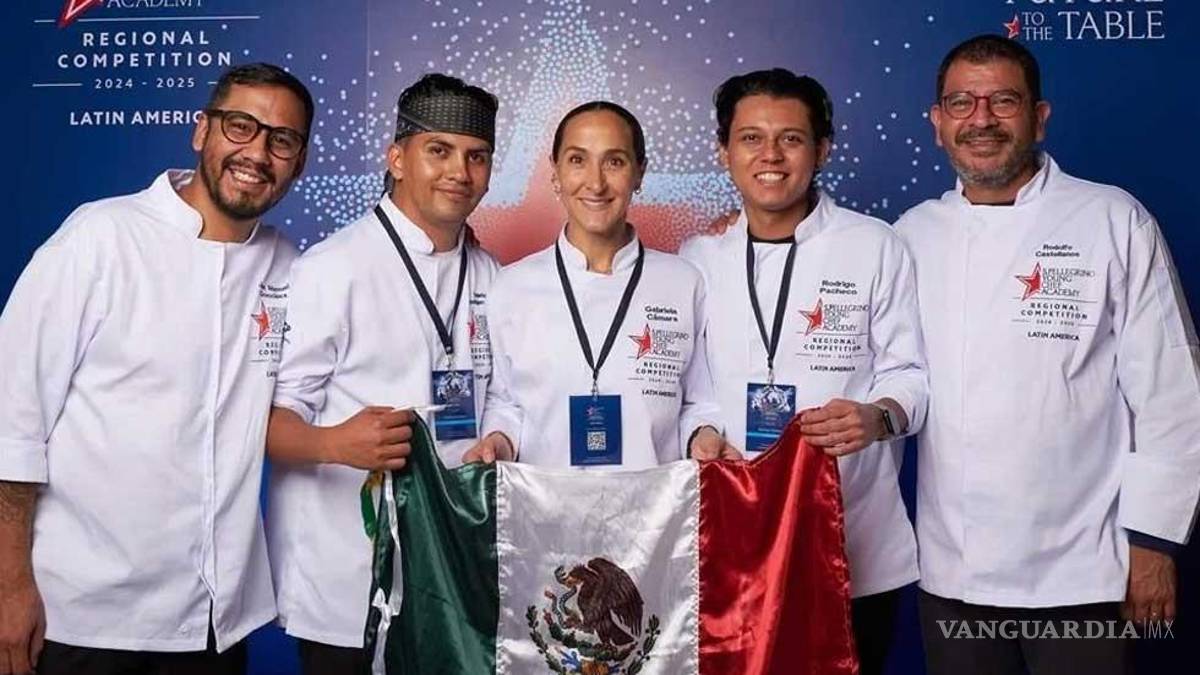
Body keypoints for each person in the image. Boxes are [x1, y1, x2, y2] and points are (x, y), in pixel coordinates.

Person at [895, 34, 1200, 675]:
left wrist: (1155, 542)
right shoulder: (909, 236)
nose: (981, 119)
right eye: (962, 103)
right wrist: (743, 234)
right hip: (954, 567)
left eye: (1003, 101)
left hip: (1086, 567)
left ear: (1039, 117)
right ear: (937, 122)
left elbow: (1171, 389)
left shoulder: (1112, 219)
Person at [0, 63, 310, 675]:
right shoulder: (99, 238)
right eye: (240, 126)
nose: (257, 153)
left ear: (298, 162)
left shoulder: (289, 266)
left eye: (282, 140)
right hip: (83, 618)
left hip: (216, 626)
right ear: (201, 130)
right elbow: (12, 422)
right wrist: (9, 586)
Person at [678, 68, 926, 675]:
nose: (770, 156)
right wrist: (700, 434)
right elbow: (690, 390)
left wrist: (878, 417)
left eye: (790, 138)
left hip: (852, 541)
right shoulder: (697, 258)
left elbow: (912, 375)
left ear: (823, 150)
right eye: (751, 138)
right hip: (734, 539)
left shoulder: (875, 246)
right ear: (724, 152)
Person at [264, 73, 500, 674]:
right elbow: (262, 421)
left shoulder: (491, 274)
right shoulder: (331, 268)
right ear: (397, 158)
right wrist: (334, 443)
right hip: (348, 575)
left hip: (454, 574)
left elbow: (504, 397)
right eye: (439, 150)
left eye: (476, 156)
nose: (459, 171)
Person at [466, 101, 734, 468]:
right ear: (555, 173)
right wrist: (498, 442)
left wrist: (702, 435)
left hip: (655, 501)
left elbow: (698, 402)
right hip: (544, 500)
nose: (595, 183)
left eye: (614, 162)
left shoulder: (684, 282)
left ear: (639, 173)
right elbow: (504, 402)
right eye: (578, 160)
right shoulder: (511, 286)